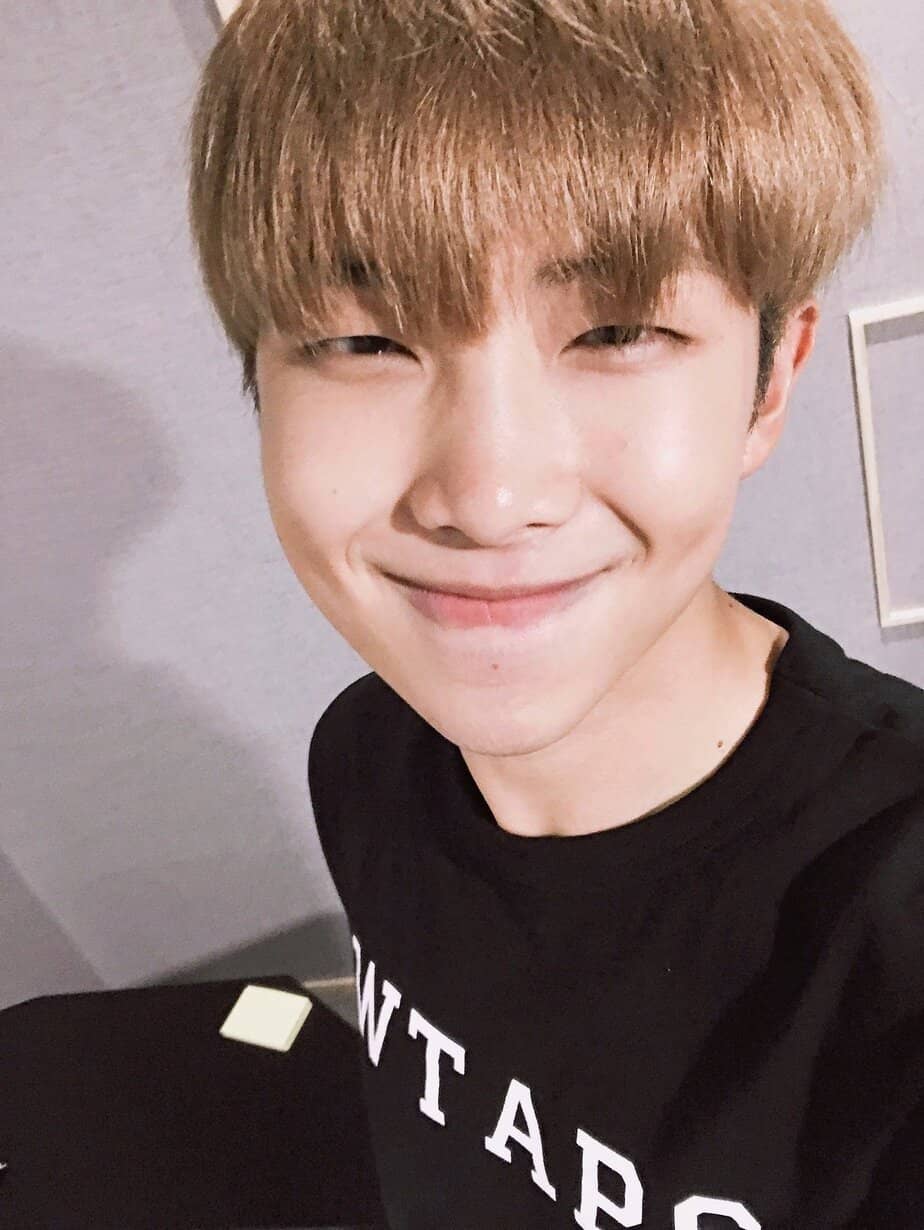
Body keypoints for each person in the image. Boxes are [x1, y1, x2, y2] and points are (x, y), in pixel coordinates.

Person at [185, 1, 923, 1225]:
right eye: (364, 341)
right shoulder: (366, 754)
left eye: (618, 330)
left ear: (769, 383)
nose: (489, 497)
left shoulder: (884, 934)